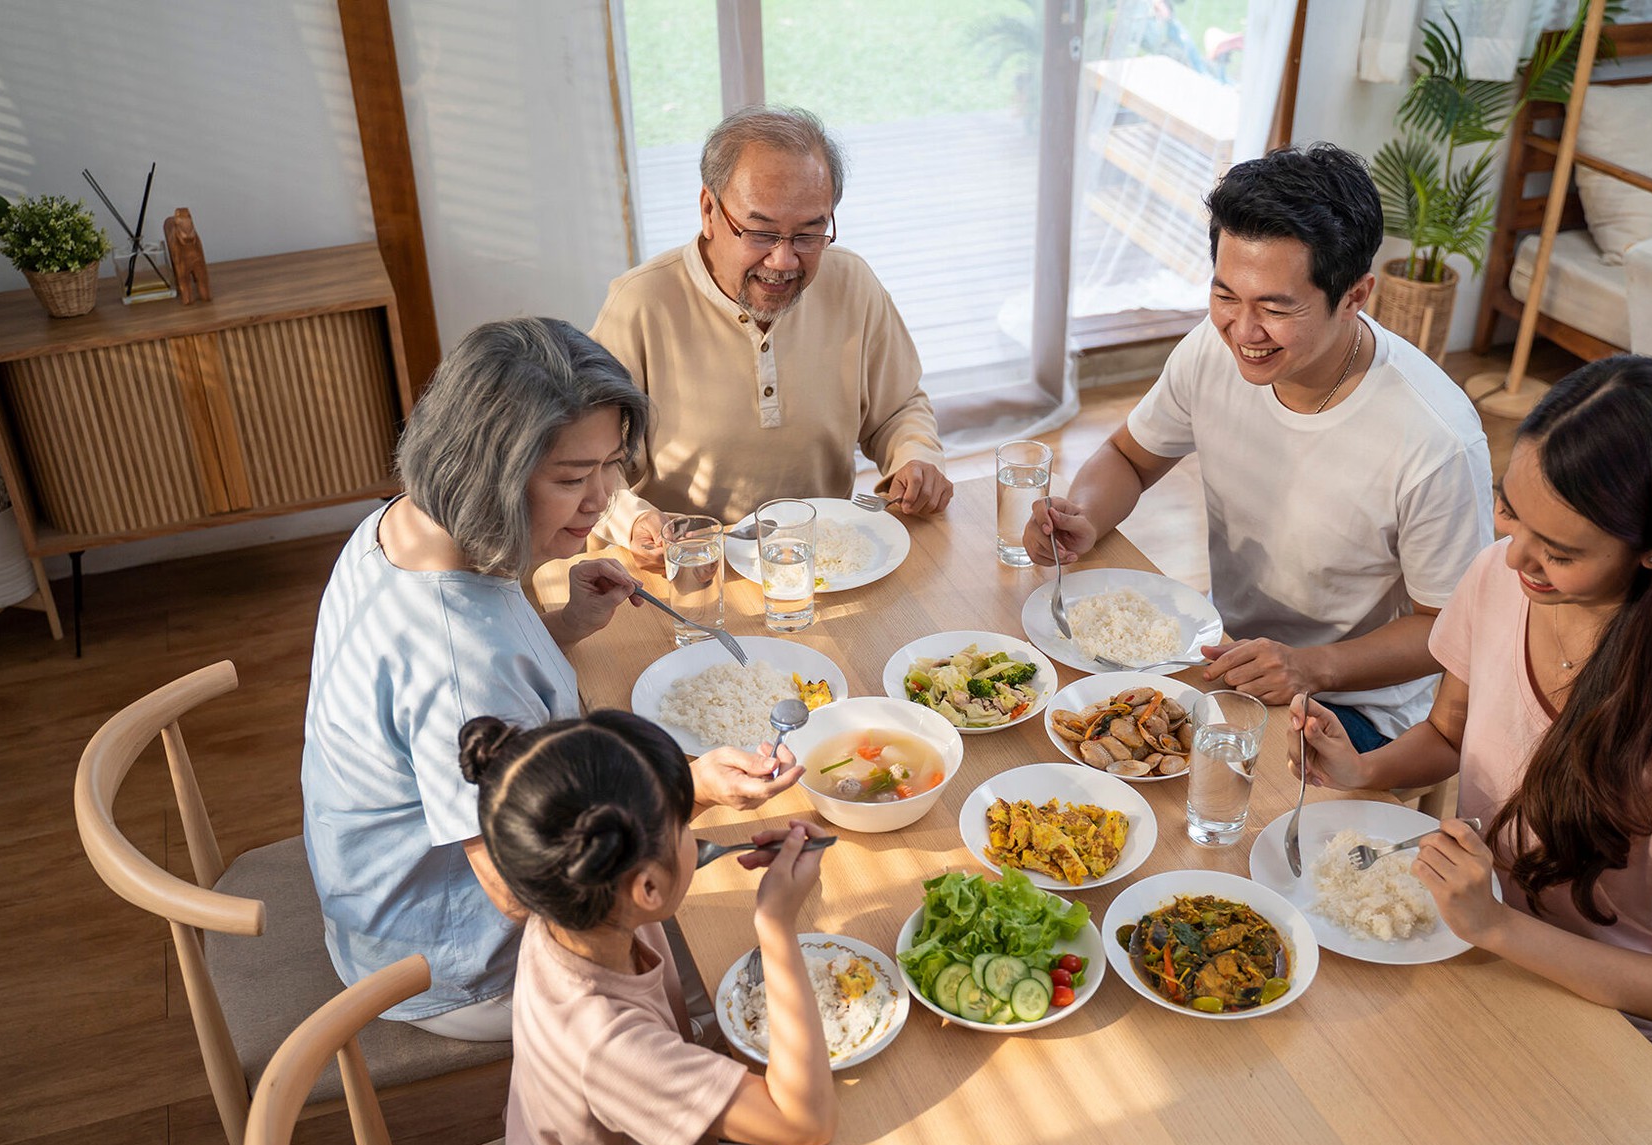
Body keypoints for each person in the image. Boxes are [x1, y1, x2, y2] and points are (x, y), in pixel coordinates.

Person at [300, 318, 799, 1041]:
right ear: (488, 473)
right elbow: (518, 886)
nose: (601, 501)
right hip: (449, 961)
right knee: (749, 959)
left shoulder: (405, 523)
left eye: (610, 465)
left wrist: (558, 626)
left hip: (373, 896)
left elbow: (470, 685)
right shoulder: (460, 662)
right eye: (571, 478)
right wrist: (689, 789)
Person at [1289, 355, 1652, 1068]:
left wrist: (1498, 927)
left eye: (1561, 552)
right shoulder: (1501, 580)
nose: (1516, 560)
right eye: (1511, 512)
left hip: (1611, 1029)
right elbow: (1451, 731)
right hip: (1476, 951)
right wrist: (1361, 768)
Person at [1027, 143, 1492, 751]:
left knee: (1177, 803)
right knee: (1058, 726)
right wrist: (1083, 516)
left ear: (1354, 295)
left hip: (1350, 705)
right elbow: (1129, 458)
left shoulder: (1436, 442)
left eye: (1276, 308)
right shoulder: (1212, 349)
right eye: (1225, 296)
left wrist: (1309, 667)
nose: (1243, 332)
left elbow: (1451, 631)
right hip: (1221, 657)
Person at [459, 711, 841, 1145]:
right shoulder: (605, 1043)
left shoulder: (572, 907)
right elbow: (806, 1122)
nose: (696, 832)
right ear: (646, 889)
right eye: (685, 827)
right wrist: (776, 926)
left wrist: (687, 805)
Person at [591, 105, 952, 567]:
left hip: (828, 558)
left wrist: (916, 457)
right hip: (693, 567)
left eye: (809, 233)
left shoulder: (852, 283)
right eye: (761, 233)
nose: (784, 261)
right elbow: (592, 466)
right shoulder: (639, 303)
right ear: (708, 210)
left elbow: (899, 408)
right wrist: (635, 521)